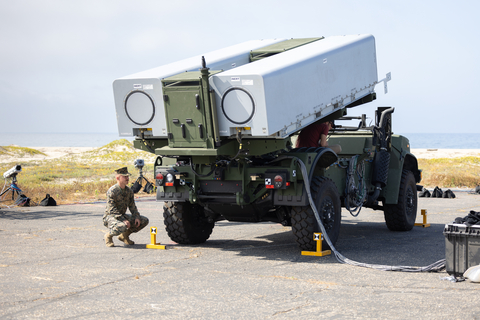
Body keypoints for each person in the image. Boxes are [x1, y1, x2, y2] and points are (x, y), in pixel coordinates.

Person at [103, 167, 149, 247]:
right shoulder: (112, 191)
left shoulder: (129, 191)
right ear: (118, 178)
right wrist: (123, 220)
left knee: (143, 220)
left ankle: (124, 236)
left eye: (128, 176)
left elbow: (132, 206)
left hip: (122, 216)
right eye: (125, 176)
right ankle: (108, 236)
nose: (127, 178)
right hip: (110, 217)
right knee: (122, 226)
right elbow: (112, 210)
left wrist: (136, 216)